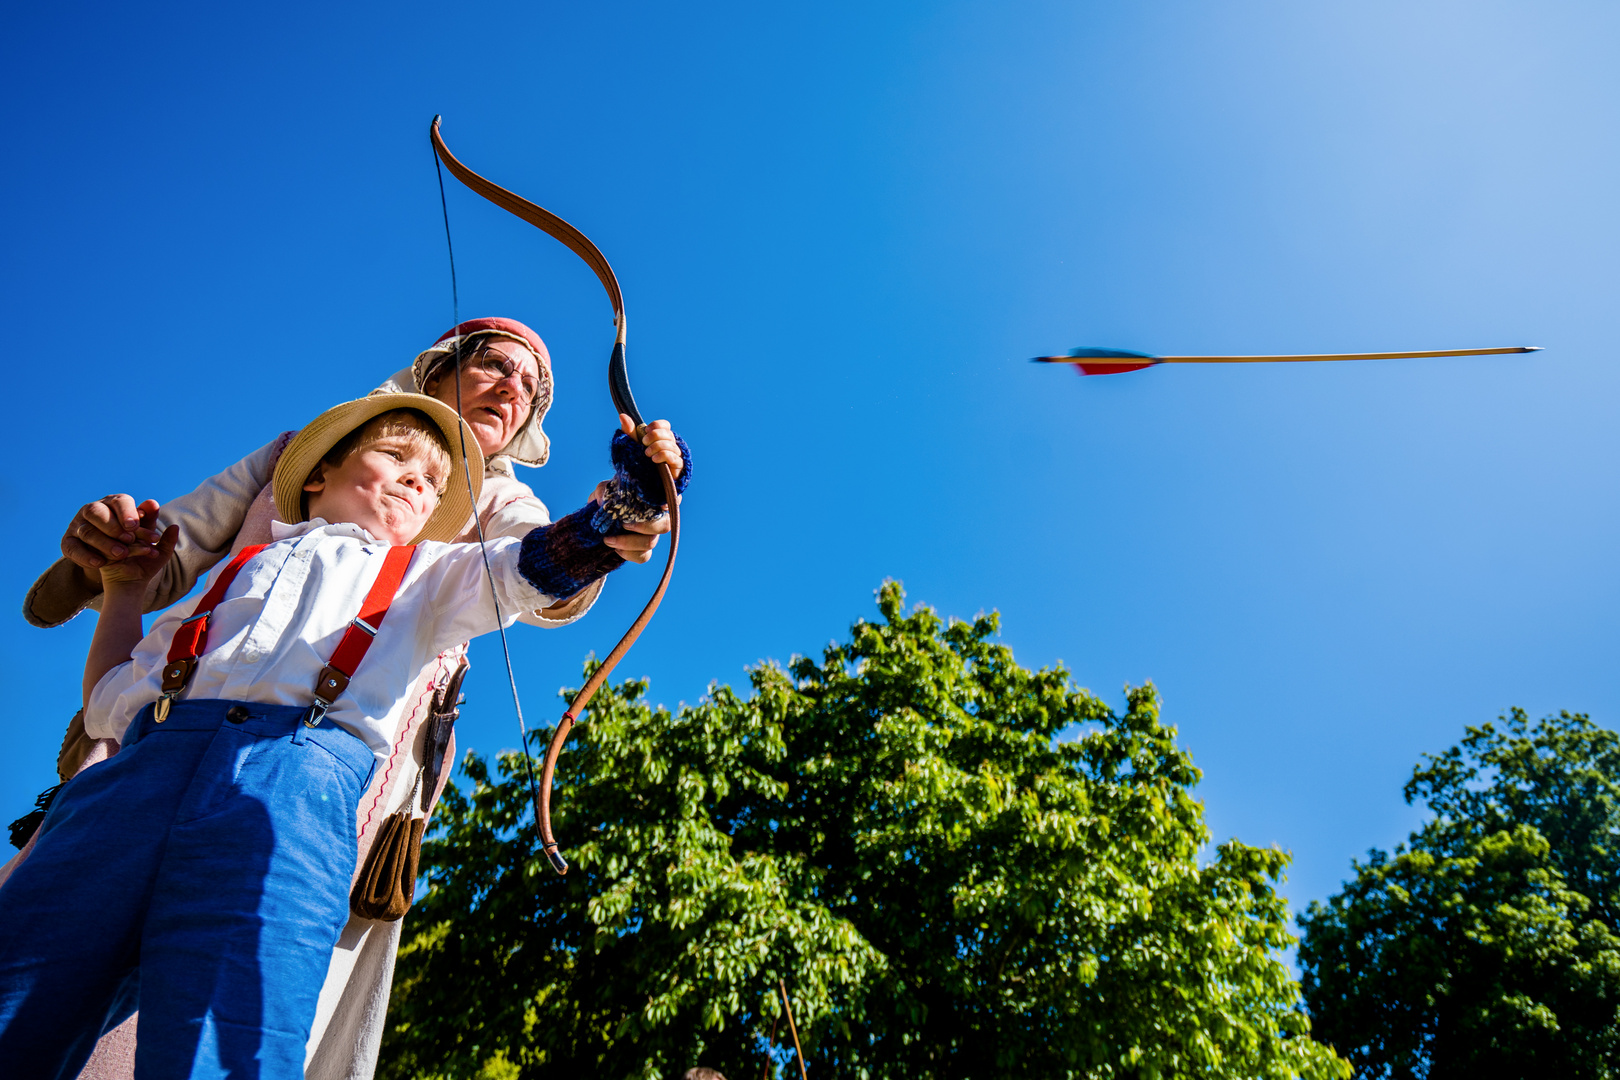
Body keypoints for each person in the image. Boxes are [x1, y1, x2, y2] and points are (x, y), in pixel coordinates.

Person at [10, 316, 688, 1077]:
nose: (512, 388)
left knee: (233, 995)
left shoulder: (483, 516)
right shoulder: (306, 451)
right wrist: (115, 562)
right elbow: (154, 572)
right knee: (42, 966)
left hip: (324, 768)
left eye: (530, 388)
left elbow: (541, 572)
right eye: (495, 365)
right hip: (157, 740)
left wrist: (629, 502)